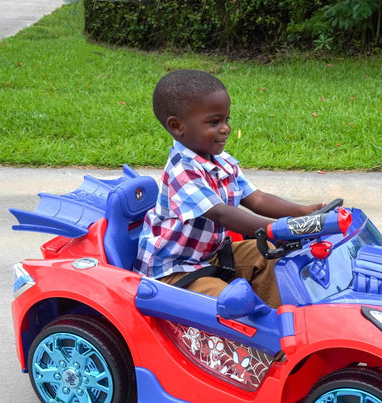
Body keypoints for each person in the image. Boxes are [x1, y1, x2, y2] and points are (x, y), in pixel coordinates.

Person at [133, 69, 322, 308]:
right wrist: (277, 229)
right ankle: (249, 333)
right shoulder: (182, 172)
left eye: (226, 120)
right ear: (177, 126)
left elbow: (258, 199)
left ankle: (279, 321)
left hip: (209, 256)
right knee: (226, 300)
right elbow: (222, 213)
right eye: (214, 122)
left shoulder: (220, 161)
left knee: (267, 254)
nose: (226, 128)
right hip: (173, 271)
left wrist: (303, 213)